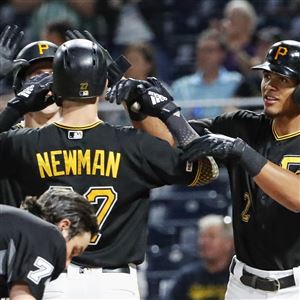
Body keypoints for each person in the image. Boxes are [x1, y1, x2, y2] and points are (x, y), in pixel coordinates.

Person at [0, 39, 218, 299]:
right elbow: (206, 170)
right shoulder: (133, 145)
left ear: (54, 87)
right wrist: (171, 114)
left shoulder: (24, 144)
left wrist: (16, 106)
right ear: (104, 86)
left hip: (49, 276)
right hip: (115, 285)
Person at [110, 40, 300, 299]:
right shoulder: (243, 125)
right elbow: (175, 143)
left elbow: (297, 197)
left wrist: (241, 151)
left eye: (283, 80)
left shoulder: (242, 140)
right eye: (267, 76)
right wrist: (146, 108)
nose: (270, 86)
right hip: (241, 285)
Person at [0, 188, 98, 300]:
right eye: (73, 251)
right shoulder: (47, 234)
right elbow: (22, 296)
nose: (66, 264)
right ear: (64, 226)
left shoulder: (16, 225)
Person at [170, 28, 242, 118]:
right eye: (200, 50)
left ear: (222, 54)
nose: (203, 55)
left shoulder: (236, 82)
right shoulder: (181, 87)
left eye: (209, 50)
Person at [167, 214, 234, 300]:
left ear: (228, 243)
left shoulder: (236, 276)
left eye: (211, 236)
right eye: (202, 236)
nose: (203, 242)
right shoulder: (186, 278)